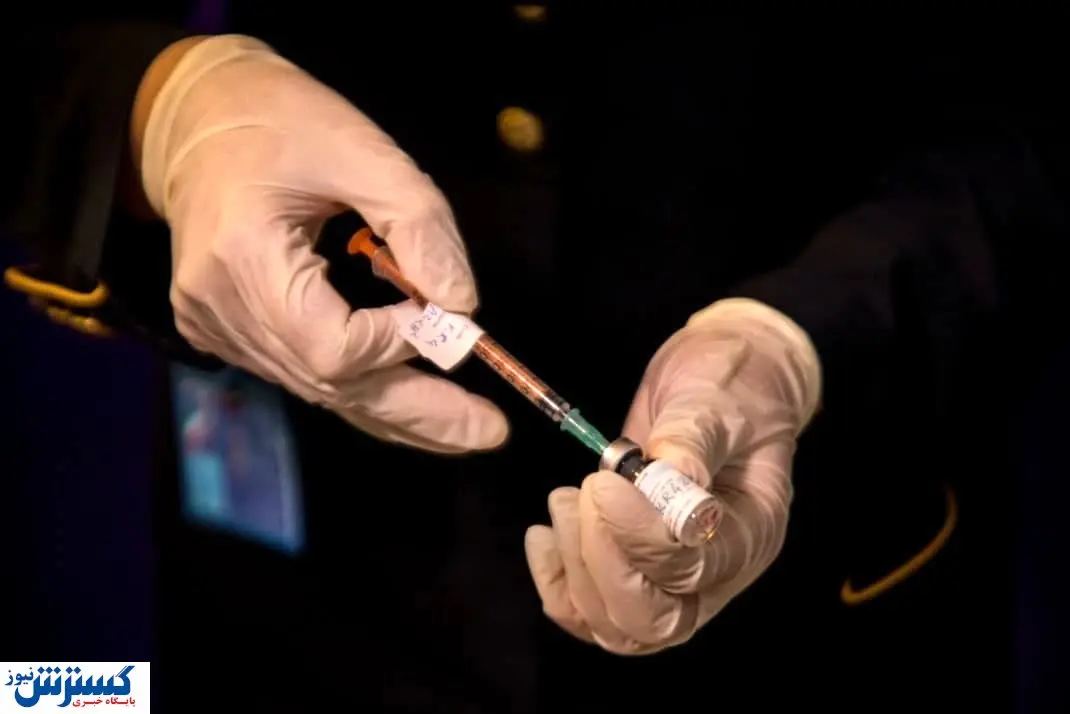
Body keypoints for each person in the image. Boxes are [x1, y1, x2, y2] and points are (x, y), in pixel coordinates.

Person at [3, 6, 1065, 712]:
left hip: (808, 616)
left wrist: (792, 339)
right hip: (317, 579)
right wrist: (158, 107)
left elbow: (1030, 116)